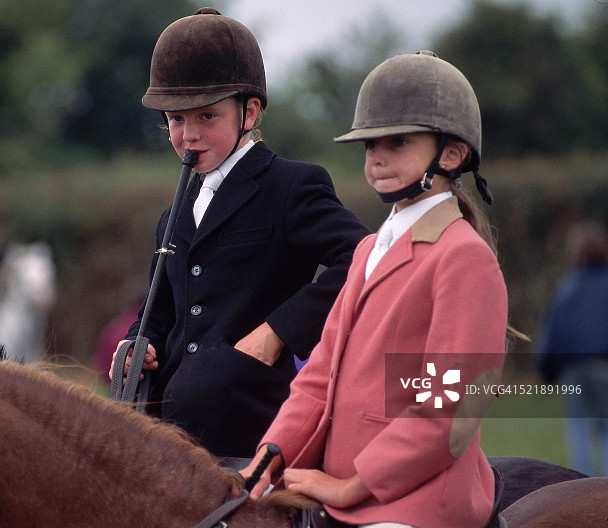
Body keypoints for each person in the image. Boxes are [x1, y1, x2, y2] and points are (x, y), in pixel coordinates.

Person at [242, 51, 509, 528]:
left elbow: (448, 409)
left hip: (414, 503)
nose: (377, 157)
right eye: (369, 145)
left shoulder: (464, 257)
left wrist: (349, 487)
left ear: (451, 155)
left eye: (398, 142)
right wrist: (270, 454)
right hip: (337, 487)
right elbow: (320, 372)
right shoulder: (368, 249)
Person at [111, 8, 370, 465]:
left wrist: (277, 332)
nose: (189, 135)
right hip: (166, 438)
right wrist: (139, 342)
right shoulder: (173, 214)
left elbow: (363, 258)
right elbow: (161, 310)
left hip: (251, 432)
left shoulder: (292, 186)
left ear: (249, 112)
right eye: (176, 119)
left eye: (207, 116)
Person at [536, 220, 608, 476]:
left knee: (580, 432)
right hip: (604, 368)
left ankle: (583, 488)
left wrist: (547, 370)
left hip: (574, 370)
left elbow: (552, 331)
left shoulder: (567, 287)